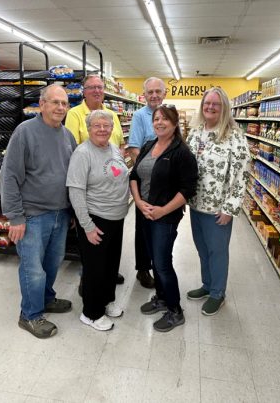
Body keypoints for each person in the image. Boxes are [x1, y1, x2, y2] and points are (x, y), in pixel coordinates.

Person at [0, 84, 77, 339]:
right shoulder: (25, 132)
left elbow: (71, 177)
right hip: (32, 216)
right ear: (42, 104)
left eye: (64, 103)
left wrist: (73, 210)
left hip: (60, 214)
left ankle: (46, 298)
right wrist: (15, 216)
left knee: (52, 264)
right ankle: (30, 315)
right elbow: (9, 176)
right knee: (33, 268)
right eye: (55, 102)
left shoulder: (67, 136)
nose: (60, 107)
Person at [130, 105, 198, 332]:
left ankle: (175, 310)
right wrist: (139, 203)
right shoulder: (149, 145)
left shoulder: (181, 152)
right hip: (145, 213)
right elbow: (134, 176)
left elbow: (187, 190)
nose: (159, 122)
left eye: (165, 119)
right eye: (156, 119)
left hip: (165, 218)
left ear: (175, 123)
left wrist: (162, 210)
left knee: (162, 263)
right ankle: (160, 297)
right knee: (153, 259)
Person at [186, 86, 250, 316]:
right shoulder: (196, 132)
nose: (210, 107)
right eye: (207, 103)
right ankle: (206, 285)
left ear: (224, 108)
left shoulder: (234, 136)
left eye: (216, 104)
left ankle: (218, 293)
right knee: (202, 249)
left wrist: (229, 208)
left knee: (217, 251)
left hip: (218, 209)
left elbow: (241, 175)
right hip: (195, 205)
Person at [67, 110, 129, 331]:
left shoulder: (113, 148)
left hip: (116, 217)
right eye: (97, 125)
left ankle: (106, 301)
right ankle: (91, 313)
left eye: (106, 125)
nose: (102, 129)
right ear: (89, 128)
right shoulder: (82, 153)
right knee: (95, 268)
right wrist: (87, 226)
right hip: (96, 219)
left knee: (111, 265)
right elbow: (75, 191)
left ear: (112, 128)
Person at [65, 74, 125, 287]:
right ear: (84, 90)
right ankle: (87, 279)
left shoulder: (112, 115)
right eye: (92, 87)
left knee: (107, 247)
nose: (97, 91)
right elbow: (71, 149)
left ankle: (105, 274)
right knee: (92, 246)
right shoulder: (74, 114)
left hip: (112, 195)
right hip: (91, 190)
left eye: (100, 87)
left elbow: (117, 145)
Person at [128, 77, 166, 289]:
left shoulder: (170, 114)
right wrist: (148, 173)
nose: (154, 95)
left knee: (162, 225)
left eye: (157, 91)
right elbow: (134, 149)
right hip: (146, 183)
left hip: (165, 185)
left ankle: (161, 266)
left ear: (164, 93)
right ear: (144, 94)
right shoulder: (140, 116)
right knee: (144, 228)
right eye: (150, 92)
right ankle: (143, 269)